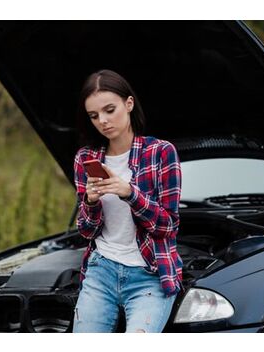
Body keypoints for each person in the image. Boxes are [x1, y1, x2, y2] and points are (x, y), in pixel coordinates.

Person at [72, 69, 183, 333]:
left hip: (149, 275)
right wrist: (90, 202)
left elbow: (168, 226)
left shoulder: (161, 152)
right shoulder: (86, 158)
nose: (103, 121)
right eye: (94, 116)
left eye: (110, 110)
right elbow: (86, 231)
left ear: (129, 104)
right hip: (101, 271)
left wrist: (130, 193)